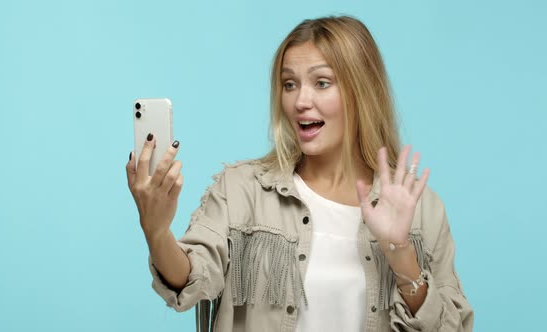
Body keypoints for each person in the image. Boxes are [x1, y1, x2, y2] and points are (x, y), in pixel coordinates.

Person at [126, 15, 473, 332]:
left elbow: (452, 326)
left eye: (322, 83)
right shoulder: (242, 189)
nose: (300, 101)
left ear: (362, 91)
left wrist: (400, 253)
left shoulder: (421, 210)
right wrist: (156, 230)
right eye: (289, 84)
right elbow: (191, 277)